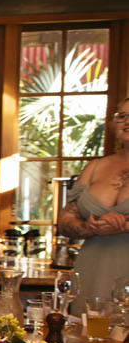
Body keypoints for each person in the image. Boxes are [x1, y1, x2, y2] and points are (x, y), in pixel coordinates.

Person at [57, 97, 129, 313]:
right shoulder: (95, 167)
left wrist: (123, 225)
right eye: (122, 116)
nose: (127, 122)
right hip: (92, 271)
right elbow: (65, 221)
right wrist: (89, 228)